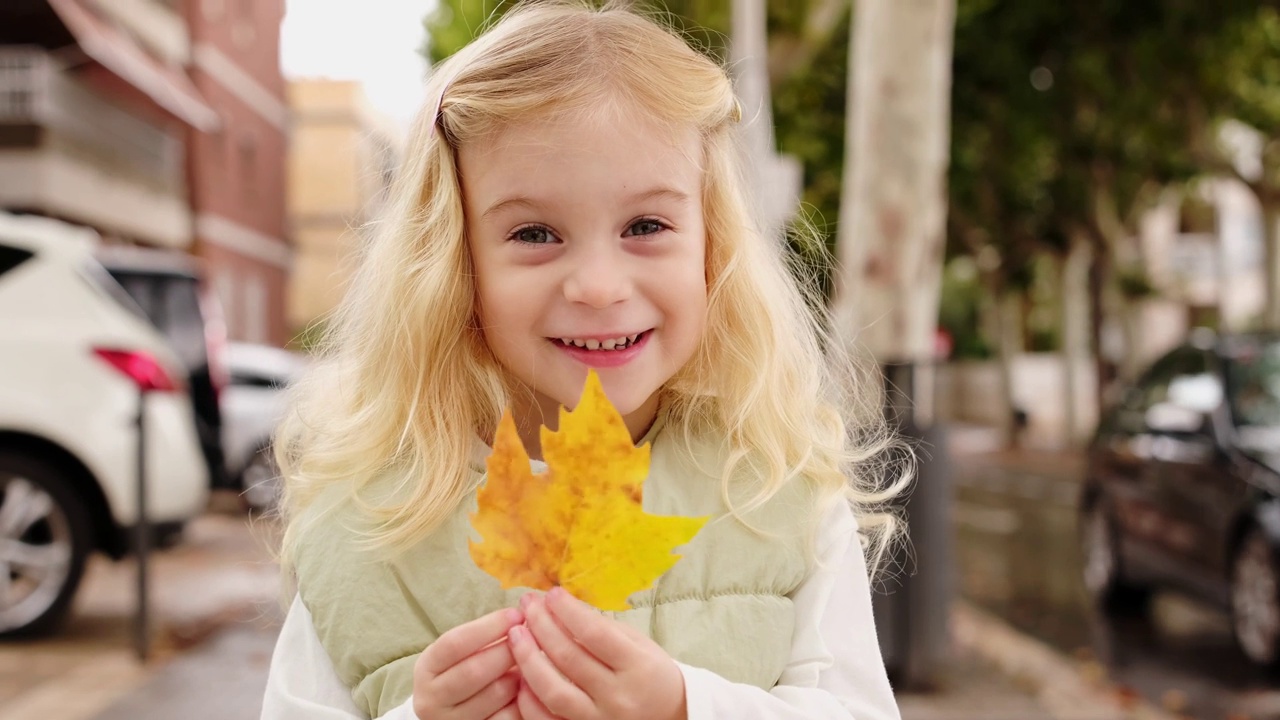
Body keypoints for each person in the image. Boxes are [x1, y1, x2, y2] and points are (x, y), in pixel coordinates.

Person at [262, 2, 910, 719]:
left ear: (712, 246)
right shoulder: (366, 524)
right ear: (454, 262)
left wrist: (686, 706)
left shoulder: (775, 487)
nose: (598, 287)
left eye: (646, 226)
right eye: (535, 232)